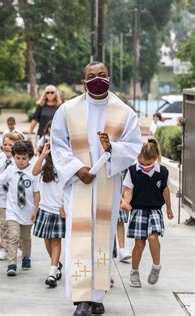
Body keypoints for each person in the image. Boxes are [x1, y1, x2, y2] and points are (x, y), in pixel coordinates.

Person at [51, 61, 142, 316]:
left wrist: (112, 148)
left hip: (107, 183)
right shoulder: (67, 110)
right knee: (80, 238)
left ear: (109, 78)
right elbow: (57, 144)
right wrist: (76, 169)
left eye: (101, 75)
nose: (97, 79)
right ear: (83, 82)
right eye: (91, 76)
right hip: (78, 184)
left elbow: (133, 145)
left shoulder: (124, 112)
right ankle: (82, 299)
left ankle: (97, 295)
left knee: (101, 238)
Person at [120, 138, 174, 288]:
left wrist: (169, 208)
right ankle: (134, 272)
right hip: (138, 210)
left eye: (148, 164)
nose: (145, 166)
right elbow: (128, 190)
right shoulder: (132, 170)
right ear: (138, 157)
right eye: (142, 163)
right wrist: (126, 203)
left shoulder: (162, 171)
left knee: (152, 237)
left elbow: (165, 190)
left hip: (155, 210)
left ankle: (156, 266)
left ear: (155, 158)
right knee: (139, 243)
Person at [0, 140, 37, 276]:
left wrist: (36, 210)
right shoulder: (10, 169)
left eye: (24, 158)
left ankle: (26, 257)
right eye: (18, 158)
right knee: (13, 236)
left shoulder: (34, 171)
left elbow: (37, 192)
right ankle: (12, 263)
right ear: (14, 156)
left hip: (28, 211)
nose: (20, 161)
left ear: (30, 157)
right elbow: (0, 180)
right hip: (12, 211)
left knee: (26, 237)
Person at [31, 143, 65, 288]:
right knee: (47, 239)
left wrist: (65, 205)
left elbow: (69, 188)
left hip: (58, 209)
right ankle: (56, 264)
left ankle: (52, 273)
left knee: (56, 241)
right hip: (45, 208)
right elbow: (34, 171)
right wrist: (43, 154)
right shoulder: (46, 164)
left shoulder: (66, 165)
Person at [0, 132, 23, 261]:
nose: (7, 147)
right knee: (4, 225)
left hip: (18, 199)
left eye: (10, 145)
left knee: (19, 225)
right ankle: (3, 249)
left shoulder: (20, 160)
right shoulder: (0, 158)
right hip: (3, 198)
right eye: (5, 144)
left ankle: (21, 246)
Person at [116, 170, 132, 262]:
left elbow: (128, 187)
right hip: (109, 194)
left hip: (123, 197)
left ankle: (122, 249)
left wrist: (125, 201)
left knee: (120, 222)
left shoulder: (127, 168)